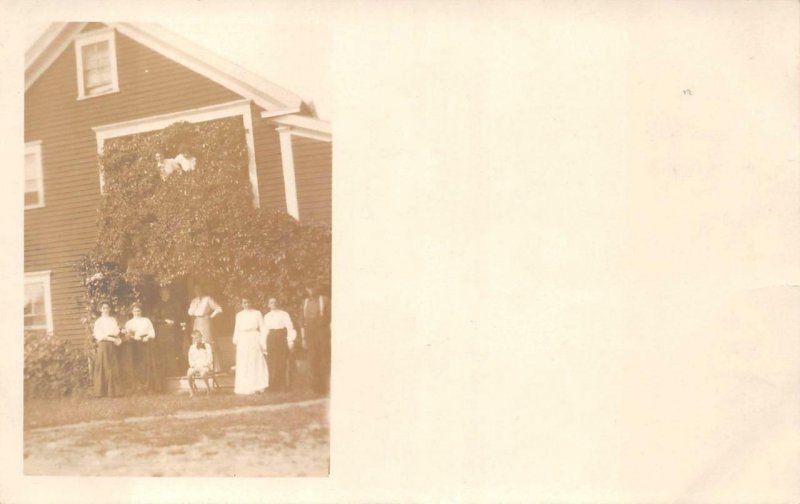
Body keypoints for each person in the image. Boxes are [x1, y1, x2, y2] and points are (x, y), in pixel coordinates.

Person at [232, 297, 268, 395]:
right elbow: (237, 328)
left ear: (251, 302)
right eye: (244, 303)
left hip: (254, 337)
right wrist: (236, 340)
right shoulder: (239, 315)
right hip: (243, 339)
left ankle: (258, 386)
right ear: (241, 304)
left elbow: (262, 328)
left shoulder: (257, 313)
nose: (246, 304)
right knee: (244, 362)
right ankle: (245, 387)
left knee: (255, 360)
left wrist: (263, 342)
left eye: (248, 302)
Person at [300, 284, 331, 394]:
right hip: (310, 334)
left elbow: (331, 319)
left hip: (322, 333)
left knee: (324, 359)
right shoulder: (305, 302)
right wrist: (303, 338)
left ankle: (326, 387)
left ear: (317, 288)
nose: (311, 290)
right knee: (312, 360)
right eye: (308, 288)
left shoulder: (324, 300)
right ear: (306, 289)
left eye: (313, 287)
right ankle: (315, 389)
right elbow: (302, 322)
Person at [262, 297, 296, 392]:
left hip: (281, 336)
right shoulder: (267, 316)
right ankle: (273, 386)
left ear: (278, 303)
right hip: (271, 338)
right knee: (272, 363)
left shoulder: (284, 314)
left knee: (281, 362)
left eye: (275, 302)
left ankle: (282, 387)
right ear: (268, 305)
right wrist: (264, 345)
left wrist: (290, 340)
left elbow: (290, 327)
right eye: (271, 303)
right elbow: (264, 331)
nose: (274, 304)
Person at [124, 303, 159, 393]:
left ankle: (150, 386)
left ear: (141, 311)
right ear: (132, 312)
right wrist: (134, 337)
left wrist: (147, 337)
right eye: (135, 311)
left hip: (147, 342)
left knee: (148, 364)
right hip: (136, 345)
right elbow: (127, 335)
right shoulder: (129, 323)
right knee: (139, 365)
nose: (137, 312)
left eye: (138, 310)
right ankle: (141, 386)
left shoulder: (146, 320)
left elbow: (152, 332)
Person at [187, 284, 223, 372]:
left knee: (207, 342)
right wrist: (195, 305)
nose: (197, 291)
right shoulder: (194, 301)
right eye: (195, 289)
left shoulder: (208, 299)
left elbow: (219, 308)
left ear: (202, 289)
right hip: (197, 321)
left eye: (199, 289)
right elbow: (190, 312)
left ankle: (214, 367)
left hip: (205, 321)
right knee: (197, 343)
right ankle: (199, 366)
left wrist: (210, 316)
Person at [92, 301, 123, 398]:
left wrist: (114, 338)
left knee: (113, 366)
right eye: (103, 308)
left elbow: (116, 331)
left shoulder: (113, 320)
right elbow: (99, 335)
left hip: (112, 345)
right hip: (103, 344)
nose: (105, 310)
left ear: (110, 309)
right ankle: (101, 392)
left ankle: (115, 391)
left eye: (107, 308)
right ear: (100, 309)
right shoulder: (99, 321)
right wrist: (111, 338)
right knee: (104, 366)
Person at [153, 286, 184, 377]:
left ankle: (176, 373)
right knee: (164, 353)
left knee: (175, 352)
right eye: (163, 293)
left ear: (169, 293)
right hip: (163, 333)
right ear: (160, 294)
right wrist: (165, 320)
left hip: (174, 332)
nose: (165, 294)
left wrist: (177, 322)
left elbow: (180, 316)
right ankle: (165, 375)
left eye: (167, 292)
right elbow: (154, 319)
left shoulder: (175, 304)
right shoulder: (158, 305)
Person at [187, 330, 214, 396]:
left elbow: (210, 358)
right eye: (194, 338)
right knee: (189, 373)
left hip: (205, 366)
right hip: (196, 366)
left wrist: (204, 365)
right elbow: (190, 359)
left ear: (201, 337)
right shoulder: (192, 347)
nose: (196, 339)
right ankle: (192, 390)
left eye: (198, 337)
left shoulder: (206, 345)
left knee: (203, 373)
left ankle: (208, 389)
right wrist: (193, 365)